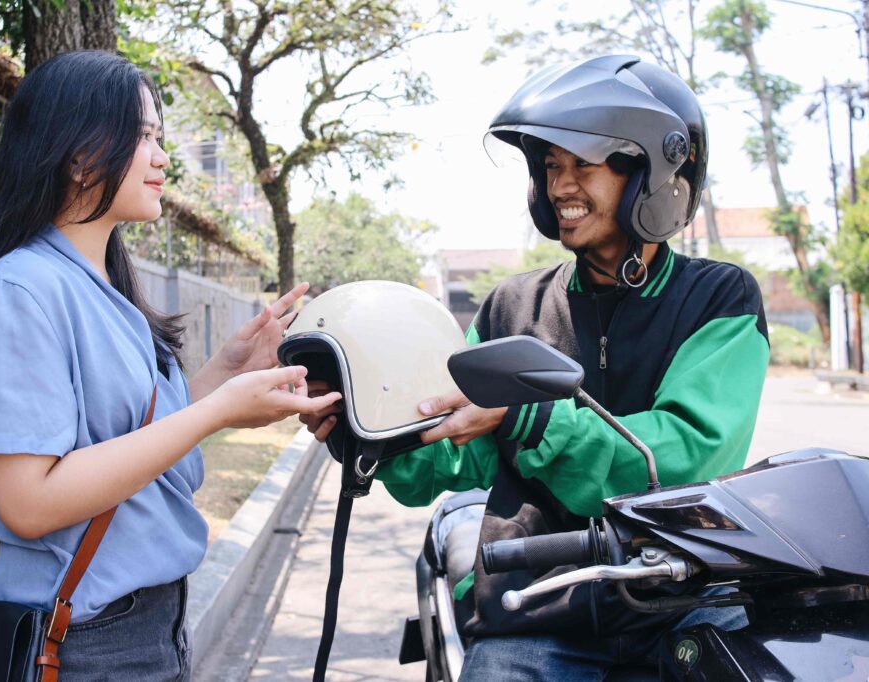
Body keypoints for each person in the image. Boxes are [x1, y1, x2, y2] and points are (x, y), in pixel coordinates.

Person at [300, 55, 769, 680]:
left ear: (655, 174)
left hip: (686, 599)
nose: (560, 187)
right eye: (550, 167)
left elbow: (685, 459)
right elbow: (453, 454)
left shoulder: (719, 299)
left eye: (583, 165)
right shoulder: (511, 307)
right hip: (541, 607)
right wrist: (367, 428)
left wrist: (532, 420)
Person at [0, 50, 340, 681]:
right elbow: (27, 502)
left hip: (153, 628)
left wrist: (222, 377)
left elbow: (130, 447)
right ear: (79, 154)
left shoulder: (103, 286)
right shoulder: (20, 291)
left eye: (158, 137)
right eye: (143, 136)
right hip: (82, 644)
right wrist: (213, 413)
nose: (161, 156)